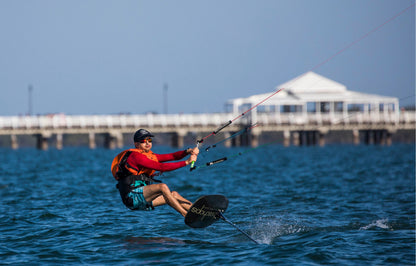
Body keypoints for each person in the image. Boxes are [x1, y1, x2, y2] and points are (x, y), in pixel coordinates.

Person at [111, 129, 199, 217]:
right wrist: (186, 162)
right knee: (162, 187)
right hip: (132, 197)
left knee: (174, 195)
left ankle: (198, 213)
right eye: (143, 141)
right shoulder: (135, 156)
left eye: (149, 140)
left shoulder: (149, 155)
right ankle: (185, 215)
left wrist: (187, 151)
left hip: (141, 195)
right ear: (136, 144)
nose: (147, 143)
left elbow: (171, 156)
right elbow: (161, 167)